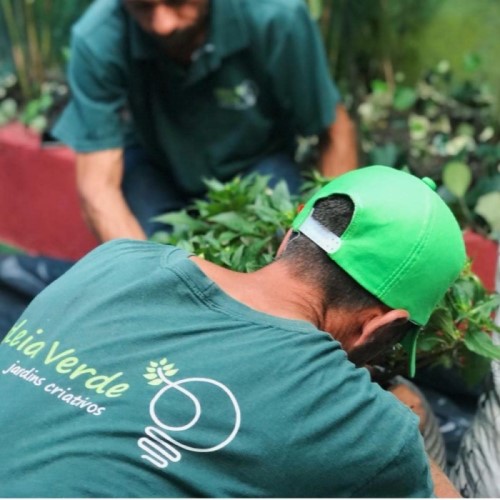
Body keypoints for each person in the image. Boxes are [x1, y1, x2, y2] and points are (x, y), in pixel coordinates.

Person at [0, 166, 463, 497]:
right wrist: (396, 436)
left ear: (288, 238)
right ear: (385, 326)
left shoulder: (117, 258)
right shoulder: (359, 425)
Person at [51, 0, 358, 242]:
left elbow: (335, 131)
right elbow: (98, 189)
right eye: (143, 7)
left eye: (177, 1)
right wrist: (145, 280)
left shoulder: (277, 16)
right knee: (150, 257)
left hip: (259, 164)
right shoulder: (96, 37)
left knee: (275, 250)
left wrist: (324, 243)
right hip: (156, 166)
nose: (163, 25)